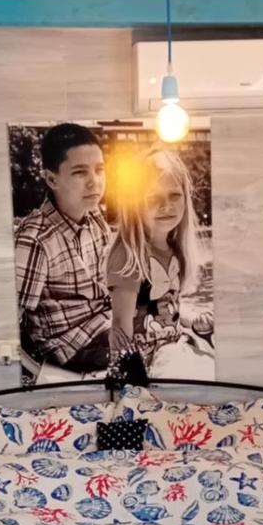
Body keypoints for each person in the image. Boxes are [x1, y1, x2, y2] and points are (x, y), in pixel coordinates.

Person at [107, 144, 214, 378]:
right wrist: (129, 380)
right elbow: (120, 324)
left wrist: (194, 321)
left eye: (175, 195)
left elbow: (168, 311)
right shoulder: (129, 255)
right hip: (147, 364)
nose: (167, 206)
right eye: (154, 198)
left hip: (173, 349)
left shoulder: (173, 250)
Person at [14, 123, 111, 379]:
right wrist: (40, 375)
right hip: (69, 346)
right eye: (80, 172)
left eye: (99, 169)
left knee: (165, 324)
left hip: (103, 324)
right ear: (51, 179)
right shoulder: (36, 239)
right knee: (148, 343)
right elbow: (10, 322)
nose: (94, 182)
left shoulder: (94, 217)